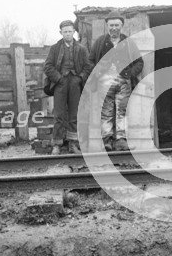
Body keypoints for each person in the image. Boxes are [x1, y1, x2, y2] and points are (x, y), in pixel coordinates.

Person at [89, 11, 143, 151]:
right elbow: (90, 61)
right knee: (106, 111)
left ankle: (121, 140)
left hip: (123, 82)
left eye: (117, 25)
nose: (114, 28)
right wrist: (98, 74)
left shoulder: (129, 42)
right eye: (111, 25)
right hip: (104, 82)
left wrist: (129, 74)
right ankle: (107, 140)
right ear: (107, 26)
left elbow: (139, 63)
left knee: (122, 111)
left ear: (121, 26)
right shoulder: (100, 42)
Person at [43, 20, 93, 155]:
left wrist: (80, 78)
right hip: (60, 83)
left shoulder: (81, 49)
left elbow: (88, 66)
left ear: (74, 32)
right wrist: (58, 78)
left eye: (70, 31)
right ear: (61, 33)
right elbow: (47, 66)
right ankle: (57, 144)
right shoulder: (55, 48)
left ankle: (73, 143)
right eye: (65, 32)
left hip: (75, 84)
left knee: (74, 114)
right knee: (58, 114)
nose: (68, 34)